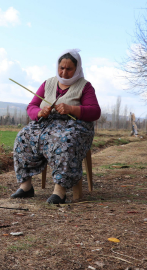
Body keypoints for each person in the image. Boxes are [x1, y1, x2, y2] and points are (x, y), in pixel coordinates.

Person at [11, 49, 101, 204]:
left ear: (77, 68)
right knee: (23, 136)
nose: (64, 72)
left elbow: (95, 111)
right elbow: (31, 106)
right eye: (61, 68)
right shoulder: (48, 83)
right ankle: (26, 186)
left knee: (64, 141)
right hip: (47, 124)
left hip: (74, 126)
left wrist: (72, 109)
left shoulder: (85, 86)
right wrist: (40, 112)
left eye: (69, 69)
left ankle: (60, 190)